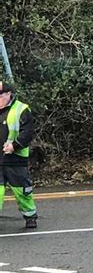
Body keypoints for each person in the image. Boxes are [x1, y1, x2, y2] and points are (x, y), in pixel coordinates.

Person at [0, 81, 38, 229]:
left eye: (0, 96)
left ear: (9, 94)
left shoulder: (21, 109)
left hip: (15, 159)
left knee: (22, 191)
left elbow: (28, 132)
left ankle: (30, 216)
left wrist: (14, 146)